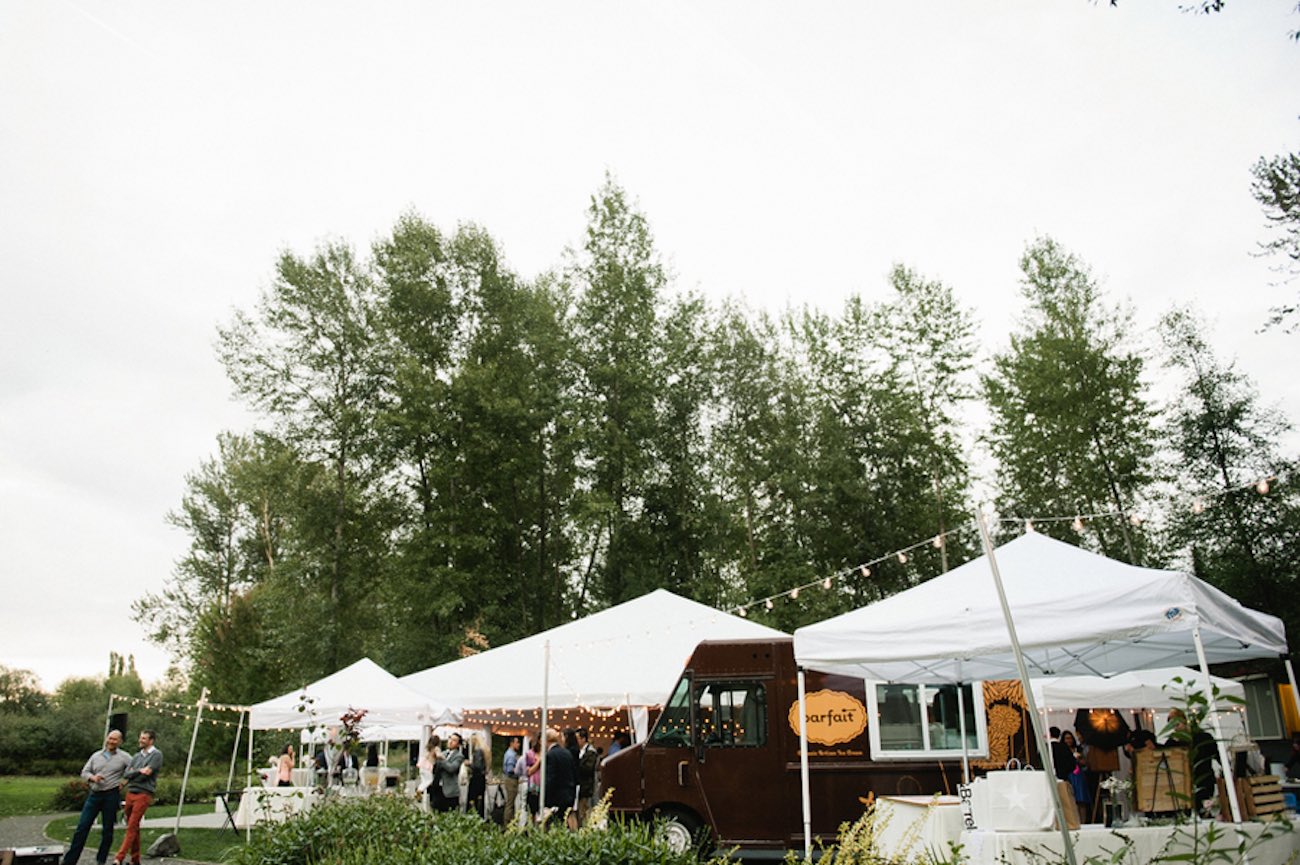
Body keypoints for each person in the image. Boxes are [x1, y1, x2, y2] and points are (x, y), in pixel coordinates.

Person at [62, 729, 131, 865]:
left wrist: (124, 781)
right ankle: (70, 860)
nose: (111, 741)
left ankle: (101, 859)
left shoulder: (124, 757)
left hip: (111, 795)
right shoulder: (96, 755)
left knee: (107, 830)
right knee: (82, 827)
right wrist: (93, 778)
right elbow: (84, 772)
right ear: (106, 739)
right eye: (110, 738)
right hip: (94, 795)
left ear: (120, 742)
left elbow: (135, 770)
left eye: (115, 739)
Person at [113, 729, 162, 865]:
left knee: (132, 826)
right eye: (140, 738)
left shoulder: (156, 755)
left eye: (144, 738)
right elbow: (127, 773)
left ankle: (119, 858)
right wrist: (138, 771)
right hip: (131, 792)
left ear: (151, 741)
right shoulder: (136, 756)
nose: (140, 740)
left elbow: (147, 773)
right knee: (133, 826)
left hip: (144, 793)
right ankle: (135, 860)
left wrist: (135, 773)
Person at [543, 727, 577, 828]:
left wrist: (546, 799)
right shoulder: (567, 753)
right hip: (569, 793)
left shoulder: (550, 755)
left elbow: (551, 778)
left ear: (547, 740)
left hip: (556, 796)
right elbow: (573, 774)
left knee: (554, 825)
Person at [432, 732, 465, 812]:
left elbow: (451, 768)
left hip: (450, 792)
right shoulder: (443, 753)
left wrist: (442, 759)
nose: (450, 741)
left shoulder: (459, 756)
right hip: (438, 789)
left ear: (458, 744)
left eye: (454, 740)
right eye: (450, 738)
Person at [575, 727, 599, 826]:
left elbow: (588, 769)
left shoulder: (591, 752)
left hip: (586, 787)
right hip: (579, 787)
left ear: (583, 739)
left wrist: (577, 764)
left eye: (577, 739)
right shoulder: (579, 751)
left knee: (584, 811)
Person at [501, 736, 521, 826]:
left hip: (509, 779)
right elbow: (510, 769)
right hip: (511, 780)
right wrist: (520, 770)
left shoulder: (508, 753)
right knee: (510, 803)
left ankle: (510, 822)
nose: (519, 745)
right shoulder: (511, 755)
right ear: (512, 743)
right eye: (517, 743)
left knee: (510, 802)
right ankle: (508, 823)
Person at [467, 734, 488, 818]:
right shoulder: (483, 751)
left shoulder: (478, 751)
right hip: (481, 779)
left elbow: (478, 766)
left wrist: (470, 764)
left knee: (473, 800)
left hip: (476, 779)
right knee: (480, 800)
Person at [418, 735, 441, 809]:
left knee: (424, 781)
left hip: (422, 765)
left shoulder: (427, 747)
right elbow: (438, 756)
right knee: (430, 780)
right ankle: (420, 790)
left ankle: (420, 790)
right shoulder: (436, 748)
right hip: (428, 766)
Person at [524, 738, 542, 819]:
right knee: (532, 811)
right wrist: (539, 761)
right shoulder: (530, 754)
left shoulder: (547, 752)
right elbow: (529, 772)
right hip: (534, 786)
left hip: (544, 785)